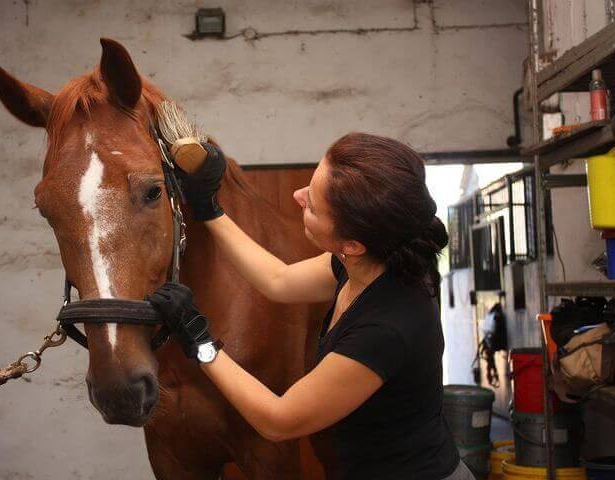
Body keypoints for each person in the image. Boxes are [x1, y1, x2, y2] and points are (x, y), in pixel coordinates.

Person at [148, 132, 473, 480]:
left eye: (313, 205)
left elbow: (278, 419)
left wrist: (199, 341)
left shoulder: (387, 327)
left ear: (352, 244)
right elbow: (279, 280)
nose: (297, 196)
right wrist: (210, 209)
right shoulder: (369, 262)